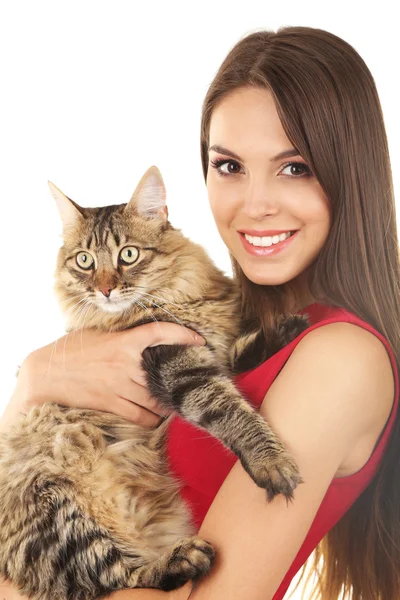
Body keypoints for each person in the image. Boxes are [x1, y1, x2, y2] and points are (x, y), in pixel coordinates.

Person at [1, 25, 399, 600]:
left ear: (350, 173)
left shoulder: (341, 358)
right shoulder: (252, 333)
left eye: (295, 167)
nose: (255, 205)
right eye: (230, 166)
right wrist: (36, 380)